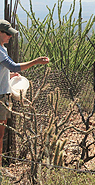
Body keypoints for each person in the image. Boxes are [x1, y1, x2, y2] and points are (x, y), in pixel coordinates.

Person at [0, 19, 49, 166]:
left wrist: (8, 76)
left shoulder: (3, 49)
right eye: (7, 33)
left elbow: (7, 70)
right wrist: (36, 61)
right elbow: (13, 66)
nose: (10, 36)